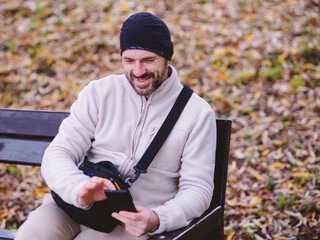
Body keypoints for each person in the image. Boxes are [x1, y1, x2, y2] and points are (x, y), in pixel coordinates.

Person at [15, 12, 216, 240]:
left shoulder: (197, 113)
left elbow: (198, 190)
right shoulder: (100, 93)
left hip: (130, 223)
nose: (138, 71)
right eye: (129, 61)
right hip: (73, 207)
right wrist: (80, 190)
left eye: (148, 60)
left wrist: (158, 218)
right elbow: (58, 153)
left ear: (167, 57)